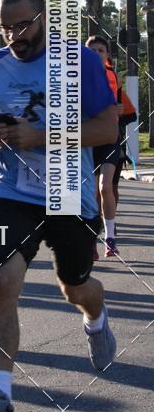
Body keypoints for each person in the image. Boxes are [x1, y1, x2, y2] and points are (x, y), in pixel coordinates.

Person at [0, 0, 118, 412]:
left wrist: (40, 137)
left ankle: (96, 317)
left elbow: (107, 128)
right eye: (4, 27)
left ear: (44, 20)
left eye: (21, 25)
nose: (13, 36)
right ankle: (0, 392)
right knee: (4, 280)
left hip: (70, 191)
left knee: (74, 286)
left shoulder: (80, 62)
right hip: (13, 191)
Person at [85, 36, 123, 258]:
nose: (97, 53)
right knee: (90, 192)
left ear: (107, 55)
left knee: (105, 186)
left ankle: (110, 238)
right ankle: (90, 239)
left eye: (101, 50)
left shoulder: (113, 76)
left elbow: (125, 109)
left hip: (109, 136)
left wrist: (119, 110)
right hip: (88, 138)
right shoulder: (74, 76)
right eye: (92, 50)